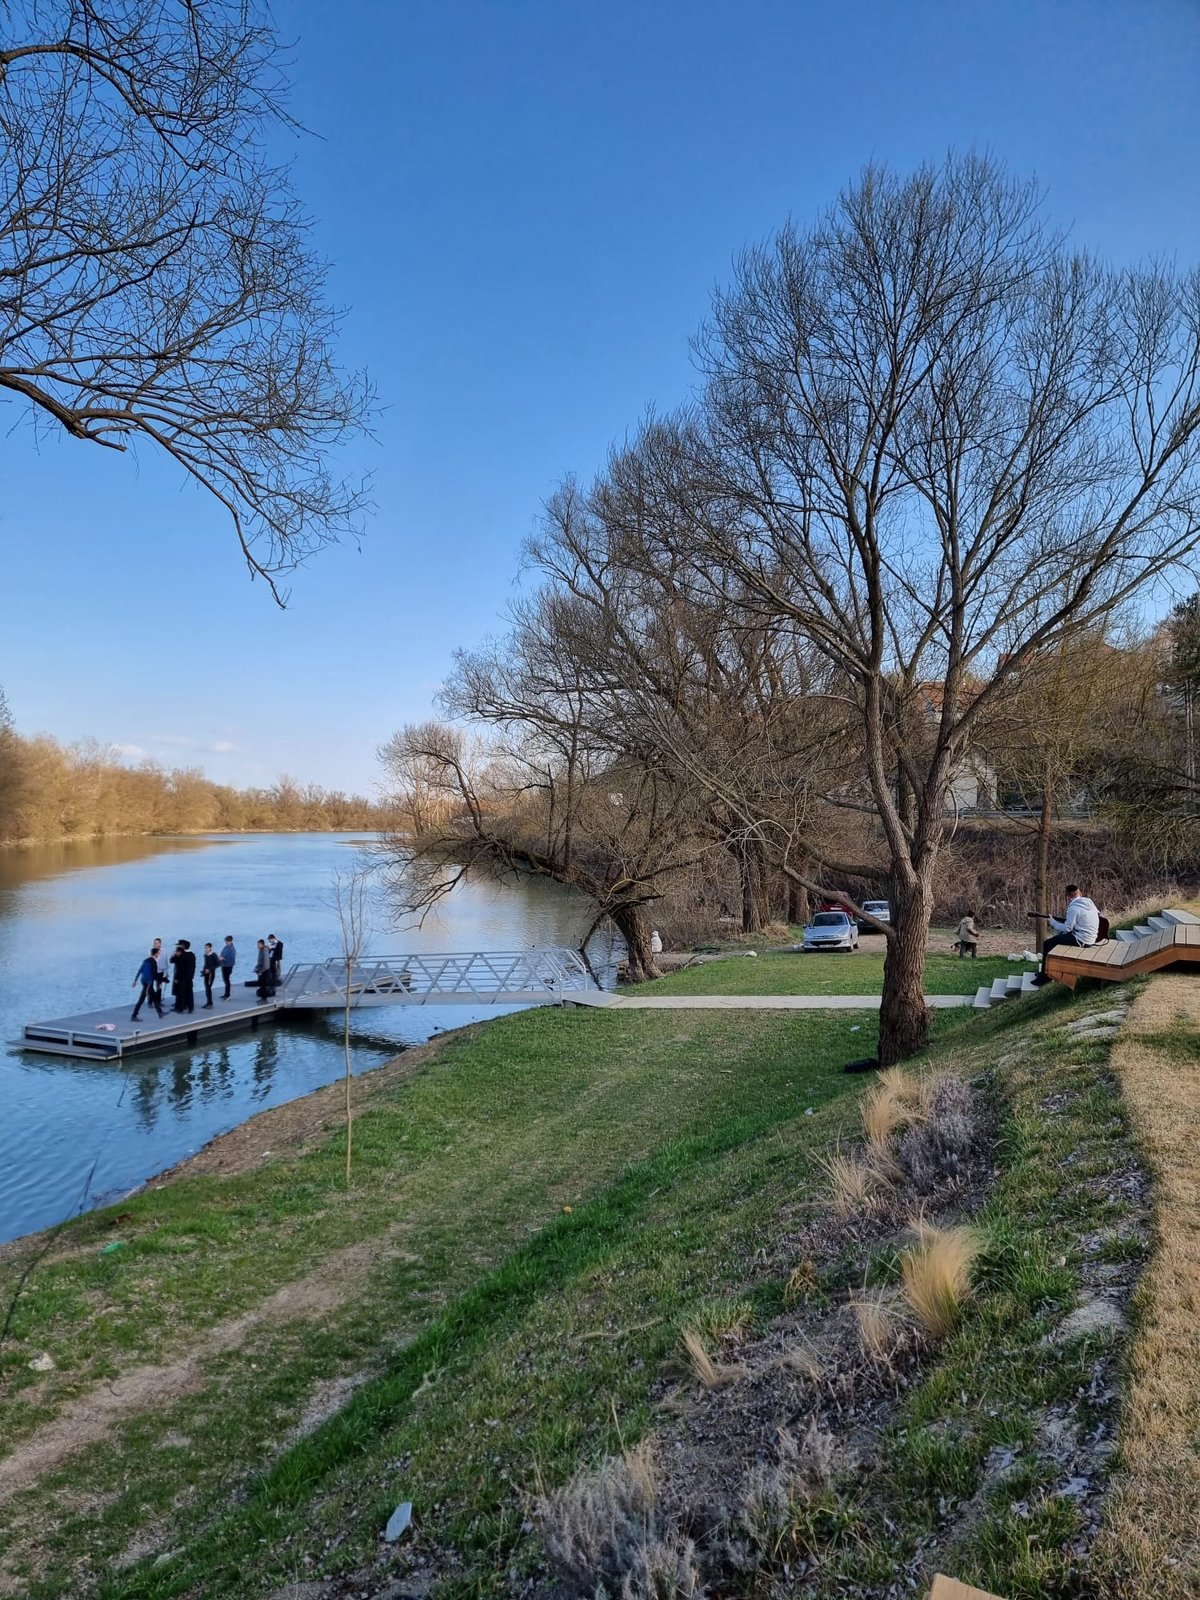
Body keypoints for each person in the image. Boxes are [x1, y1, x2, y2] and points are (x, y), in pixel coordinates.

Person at [1032, 884, 1100, 985]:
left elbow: (1068, 928)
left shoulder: (1074, 908)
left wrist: (1053, 922)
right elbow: (1097, 915)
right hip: (1091, 937)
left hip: (1081, 939)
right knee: (1055, 940)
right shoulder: (1089, 902)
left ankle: (1045, 977)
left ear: (1067, 896)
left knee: (1048, 943)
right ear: (1080, 893)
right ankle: (1045, 971)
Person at [131, 950, 164, 1021]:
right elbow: (154, 975)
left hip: (143, 981)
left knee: (154, 997)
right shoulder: (154, 962)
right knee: (141, 999)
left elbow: (140, 970)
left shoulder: (145, 960)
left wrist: (135, 980)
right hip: (149, 982)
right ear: (155, 954)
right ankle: (133, 1016)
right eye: (158, 953)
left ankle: (160, 1013)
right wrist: (161, 982)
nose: (159, 955)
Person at [172, 939, 197, 1013]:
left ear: (183, 946)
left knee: (181, 993)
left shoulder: (182, 955)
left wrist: (177, 978)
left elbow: (180, 968)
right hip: (189, 977)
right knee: (189, 992)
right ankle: (190, 1007)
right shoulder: (192, 955)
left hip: (182, 978)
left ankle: (181, 1008)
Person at [201, 942, 219, 1008]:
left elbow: (218, 964)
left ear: (210, 948)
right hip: (206, 974)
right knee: (207, 988)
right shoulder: (205, 955)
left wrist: (210, 969)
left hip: (211, 974)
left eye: (206, 948)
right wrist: (203, 971)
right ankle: (208, 1002)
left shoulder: (214, 955)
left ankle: (210, 1003)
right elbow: (206, 964)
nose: (205, 949)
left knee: (208, 988)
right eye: (205, 948)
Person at [152, 937, 168, 1008]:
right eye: (154, 943)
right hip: (153, 971)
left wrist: (166, 972)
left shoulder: (164, 952)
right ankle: (151, 1001)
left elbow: (165, 962)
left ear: (160, 944)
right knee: (150, 987)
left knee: (159, 987)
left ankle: (158, 1001)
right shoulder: (151, 951)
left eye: (156, 943)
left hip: (160, 972)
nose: (155, 944)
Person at [219, 935, 236, 999]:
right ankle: (226, 993)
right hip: (224, 965)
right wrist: (220, 957)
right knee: (225, 979)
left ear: (230, 941)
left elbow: (231, 959)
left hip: (228, 966)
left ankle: (227, 994)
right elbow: (222, 954)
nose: (226, 943)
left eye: (227, 941)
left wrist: (223, 958)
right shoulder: (226, 947)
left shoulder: (232, 949)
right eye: (226, 941)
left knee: (227, 979)